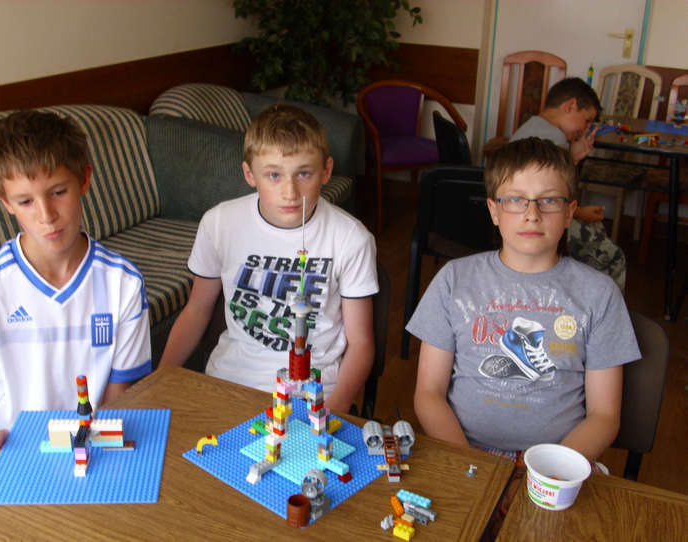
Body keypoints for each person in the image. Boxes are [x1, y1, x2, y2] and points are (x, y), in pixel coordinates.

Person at [407, 137, 640, 464]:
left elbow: (603, 416)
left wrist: (550, 470)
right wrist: (470, 464)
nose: (532, 214)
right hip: (462, 451)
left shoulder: (600, 294)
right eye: (516, 200)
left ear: (570, 213)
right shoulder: (453, 280)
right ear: (494, 211)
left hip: (558, 461)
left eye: (549, 200)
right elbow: (429, 393)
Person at [0, 111, 151, 495]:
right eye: (25, 201)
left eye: (58, 192)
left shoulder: (124, 284)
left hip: (88, 457)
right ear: (4, 201)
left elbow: (119, 398)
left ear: (84, 179)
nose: (46, 216)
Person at [158, 104, 377, 414]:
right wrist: (160, 381)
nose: (290, 192)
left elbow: (362, 344)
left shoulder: (351, 238)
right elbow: (196, 309)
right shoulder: (219, 223)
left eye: (304, 173)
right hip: (229, 383)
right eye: (274, 175)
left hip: (313, 396)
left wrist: (332, 412)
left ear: (326, 171)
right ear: (250, 174)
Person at [510, 77, 627, 291]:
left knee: (596, 228)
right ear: (570, 106)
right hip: (536, 222)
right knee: (614, 257)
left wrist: (571, 158)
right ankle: (598, 305)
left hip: (519, 216)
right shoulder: (554, 140)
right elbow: (547, 202)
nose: (585, 129)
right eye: (587, 120)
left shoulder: (533, 127)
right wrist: (580, 213)